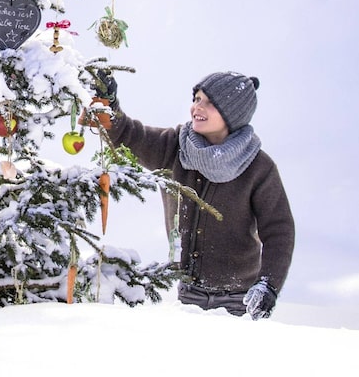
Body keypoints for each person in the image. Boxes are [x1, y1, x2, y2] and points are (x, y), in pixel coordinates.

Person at [93, 69, 294, 319]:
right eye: (197, 99)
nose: (198, 107)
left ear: (232, 113)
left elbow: (279, 230)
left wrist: (269, 284)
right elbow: (129, 135)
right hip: (188, 293)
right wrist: (109, 104)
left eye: (209, 102)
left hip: (239, 298)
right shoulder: (176, 145)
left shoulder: (258, 167)